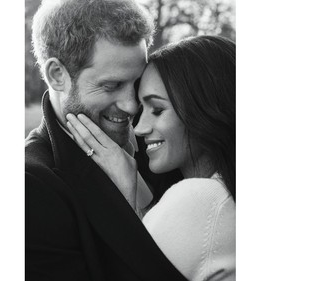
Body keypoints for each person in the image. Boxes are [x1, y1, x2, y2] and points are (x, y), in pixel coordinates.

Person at [25, 0, 187, 280]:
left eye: (136, 83)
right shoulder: (31, 186)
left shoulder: (160, 138)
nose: (131, 106)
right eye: (111, 86)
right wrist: (125, 206)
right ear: (57, 75)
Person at [66, 35, 236, 281]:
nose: (139, 128)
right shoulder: (224, 195)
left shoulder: (200, 199)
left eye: (157, 110)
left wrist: (125, 193)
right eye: (142, 109)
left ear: (206, 109)